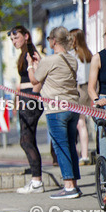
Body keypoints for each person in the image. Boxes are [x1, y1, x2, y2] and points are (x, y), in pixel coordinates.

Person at [32, 26, 81, 199]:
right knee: (71, 147)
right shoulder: (73, 60)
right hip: (73, 107)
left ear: (53, 41)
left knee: (61, 147)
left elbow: (35, 80)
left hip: (56, 109)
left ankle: (68, 187)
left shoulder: (49, 60)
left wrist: (33, 66)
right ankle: (74, 184)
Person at [9, 25, 45, 193]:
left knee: (25, 141)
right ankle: (35, 180)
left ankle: (37, 181)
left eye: (16, 38)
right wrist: (18, 100)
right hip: (24, 98)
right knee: (27, 140)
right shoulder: (23, 55)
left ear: (26, 36)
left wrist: (31, 100)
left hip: (31, 99)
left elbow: (36, 80)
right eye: (12, 39)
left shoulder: (32, 55)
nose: (14, 41)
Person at [69, 28, 93, 162]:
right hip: (90, 88)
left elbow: (76, 75)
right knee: (86, 122)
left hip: (79, 89)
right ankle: (84, 154)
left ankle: (82, 155)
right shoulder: (88, 53)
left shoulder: (75, 55)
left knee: (79, 123)